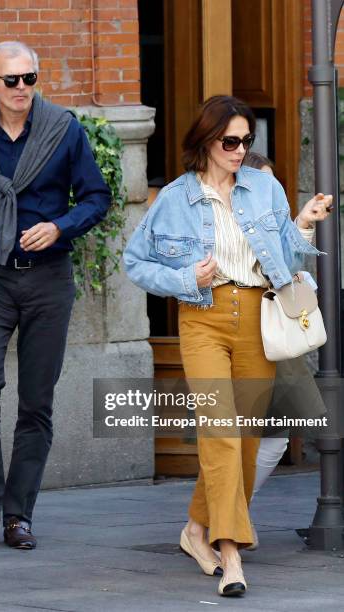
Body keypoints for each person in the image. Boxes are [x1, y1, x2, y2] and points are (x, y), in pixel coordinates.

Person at [123, 95, 331, 597]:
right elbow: (134, 262)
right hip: (203, 319)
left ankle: (196, 530)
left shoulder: (264, 187)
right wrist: (182, 276)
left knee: (246, 438)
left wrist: (302, 222)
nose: (240, 150)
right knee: (220, 432)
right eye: (230, 141)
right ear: (206, 142)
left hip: (256, 318)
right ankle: (231, 553)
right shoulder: (174, 198)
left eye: (246, 141)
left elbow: (282, 251)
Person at [0, 41, 111, 550]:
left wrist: (60, 227)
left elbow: (97, 196)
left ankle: (18, 514)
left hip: (48, 277)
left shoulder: (63, 130)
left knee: (36, 402)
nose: (22, 89)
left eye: (29, 78)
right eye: (11, 80)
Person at [243, 151, 328, 551]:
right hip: (243, 333)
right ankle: (221, 517)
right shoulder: (229, 223)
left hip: (278, 336)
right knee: (238, 435)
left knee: (275, 433)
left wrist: (302, 225)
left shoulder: (274, 223)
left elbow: (289, 259)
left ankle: (236, 511)